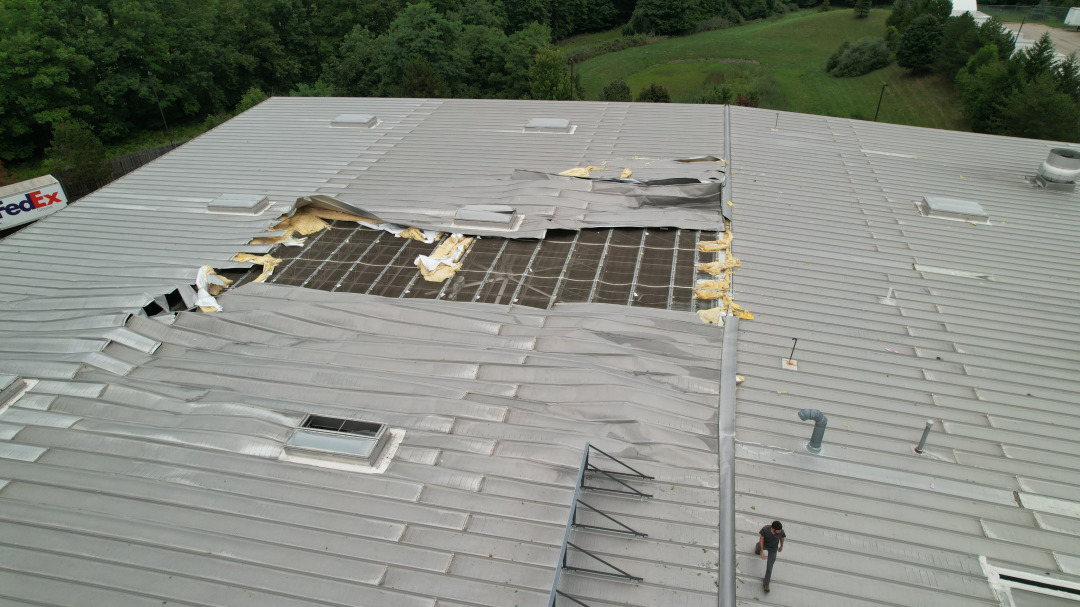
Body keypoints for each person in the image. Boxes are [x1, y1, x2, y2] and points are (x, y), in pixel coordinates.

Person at [754, 520, 786, 592]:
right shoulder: (765, 529)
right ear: (773, 529)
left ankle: (766, 583)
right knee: (758, 546)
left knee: (770, 565)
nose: (780, 532)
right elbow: (761, 539)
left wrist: (781, 546)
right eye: (778, 531)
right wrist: (762, 551)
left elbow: (782, 538)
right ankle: (757, 548)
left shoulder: (781, 532)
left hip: (773, 548)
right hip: (765, 544)